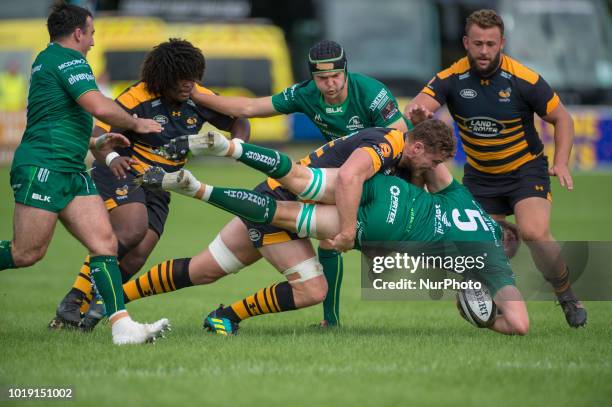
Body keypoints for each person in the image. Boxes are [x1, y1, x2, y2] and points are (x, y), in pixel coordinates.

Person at [90, 120, 452, 337]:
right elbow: (349, 180)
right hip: (280, 203)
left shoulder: (407, 170)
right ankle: (226, 316)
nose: (434, 169)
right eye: (433, 161)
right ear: (417, 146)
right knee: (313, 290)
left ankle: (109, 301)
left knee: (202, 270)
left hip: (286, 204)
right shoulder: (388, 143)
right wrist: (345, 232)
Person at [137, 145, 529, 336]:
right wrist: (488, 319)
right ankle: (201, 189)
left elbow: (434, 166)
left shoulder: (466, 201)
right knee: (286, 231)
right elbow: (521, 324)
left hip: (380, 189)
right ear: (504, 246)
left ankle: (228, 148)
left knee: (295, 183)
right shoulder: (491, 259)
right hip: (372, 223)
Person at [187, 39, 411, 327]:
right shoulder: (304, 94)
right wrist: (198, 94)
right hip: (337, 178)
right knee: (330, 241)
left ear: (346, 71)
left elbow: (400, 136)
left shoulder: (371, 92)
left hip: (381, 179)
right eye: (322, 78)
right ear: (312, 77)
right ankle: (330, 322)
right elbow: (250, 106)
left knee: (392, 248)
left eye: (335, 77)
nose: (330, 84)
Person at [48, 38, 250, 331]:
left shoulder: (197, 94)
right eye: (182, 78)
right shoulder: (136, 96)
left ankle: (92, 312)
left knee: (139, 253)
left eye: (193, 77)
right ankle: (76, 296)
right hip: (121, 169)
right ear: (163, 77)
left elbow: (239, 120)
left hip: (162, 183)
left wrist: (237, 145)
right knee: (132, 229)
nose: (188, 84)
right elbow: (97, 132)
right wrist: (113, 156)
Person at [0, 3, 170, 345]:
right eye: (91, 34)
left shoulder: (49, 59)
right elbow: (97, 104)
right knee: (26, 253)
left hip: (71, 170)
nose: (92, 41)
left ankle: (123, 328)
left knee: (104, 243)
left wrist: (97, 140)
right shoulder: (68, 60)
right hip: (44, 166)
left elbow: (73, 117)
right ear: (78, 33)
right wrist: (137, 122)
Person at [404, 9, 585, 328]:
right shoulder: (452, 78)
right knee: (482, 247)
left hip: (524, 170)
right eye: (477, 43)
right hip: (480, 176)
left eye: (490, 43)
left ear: (501, 42)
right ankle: (488, 306)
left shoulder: (523, 78)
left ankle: (567, 296)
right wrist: (419, 113)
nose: (484, 50)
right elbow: (418, 105)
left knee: (534, 233)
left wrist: (561, 162)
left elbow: (563, 118)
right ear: (466, 43)